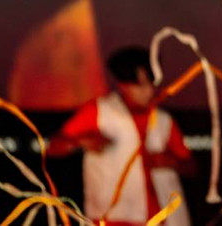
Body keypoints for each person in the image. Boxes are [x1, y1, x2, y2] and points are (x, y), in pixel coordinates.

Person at [48, 46, 195, 226]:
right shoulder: (99, 112)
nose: (149, 90)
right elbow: (54, 147)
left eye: (152, 83)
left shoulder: (164, 121)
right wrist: (80, 141)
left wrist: (172, 162)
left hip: (163, 217)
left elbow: (191, 166)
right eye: (140, 85)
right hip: (113, 218)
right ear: (122, 84)